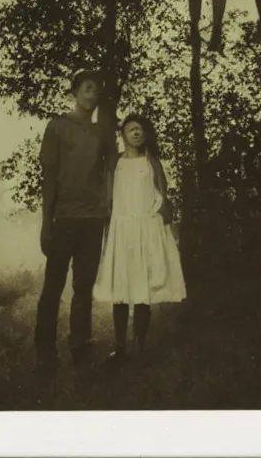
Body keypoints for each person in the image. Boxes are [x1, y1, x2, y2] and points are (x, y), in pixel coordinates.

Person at [34, 69, 117, 373]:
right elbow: (49, 176)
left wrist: (107, 204)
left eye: (97, 90)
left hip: (93, 219)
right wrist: (46, 223)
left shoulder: (104, 132)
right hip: (64, 217)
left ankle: (80, 346)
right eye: (87, 88)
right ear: (75, 91)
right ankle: (45, 353)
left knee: (84, 287)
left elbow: (112, 171)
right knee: (52, 286)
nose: (92, 94)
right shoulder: (57, 126)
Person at [93, 115, 186, 364]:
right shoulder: (115, 163)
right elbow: (107, 196)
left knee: (143, 287)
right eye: (131, 129)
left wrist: (156, 219)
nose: (136, 133)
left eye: (140, 130)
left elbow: (161, 194)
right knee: (121, 287)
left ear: (145, 135)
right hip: (122, 229)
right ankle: (120, 347)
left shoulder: (151, 163)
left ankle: (140, 345)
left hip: (147, 228)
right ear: (122, 135)